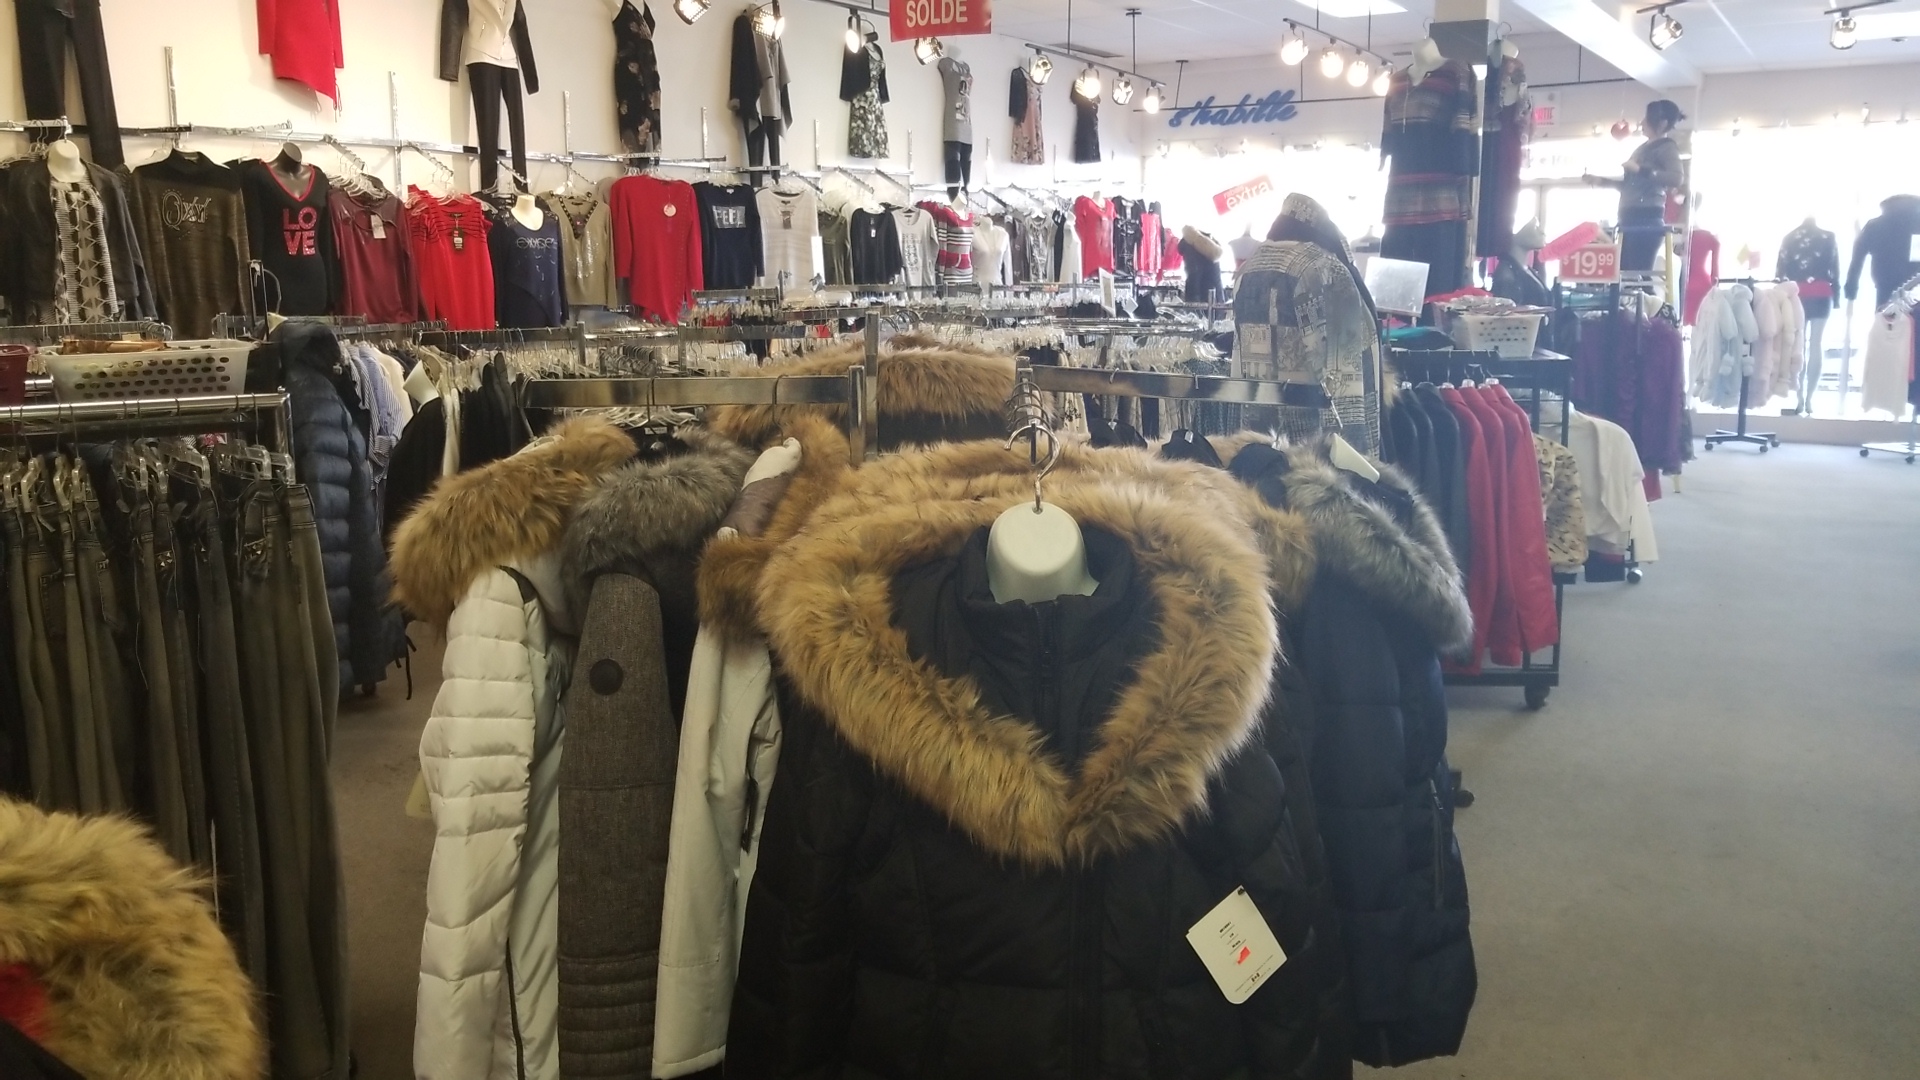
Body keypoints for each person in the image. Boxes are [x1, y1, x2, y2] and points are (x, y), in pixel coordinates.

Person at [1585, 100, 1686, 271]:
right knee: (1625, 272)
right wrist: (1602, 181)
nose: (1642, 122)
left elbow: (1677, 178)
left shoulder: (1666, 148)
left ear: (1662, 123)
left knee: (1636, 273)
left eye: (1647, 118)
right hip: (1630, 217)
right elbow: (1629, 186)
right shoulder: (1642, 149)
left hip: (1646, 219)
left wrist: (1641, 170)